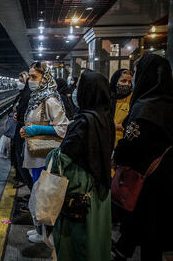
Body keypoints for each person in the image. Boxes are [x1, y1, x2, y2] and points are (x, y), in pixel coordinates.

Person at [46, 70, 114, 261]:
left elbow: (62, 158)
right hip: (101, 188)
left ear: (87, 91)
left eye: (79, 87)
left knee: (76, 243)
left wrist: (51, 152)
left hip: (80, 192)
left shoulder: (83, 121)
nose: (75, 91)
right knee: (97, 239)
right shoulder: (106, 117)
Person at [112, 54, 173, 261]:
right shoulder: (168, 103)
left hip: (146, 181)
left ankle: (123, 250)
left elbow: (130, 146)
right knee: (155, 231)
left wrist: (117, 153)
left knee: (147, 230)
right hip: (166, 177)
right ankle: (124, 248)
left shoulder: (145, 107)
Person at [20, 62, 69, 244]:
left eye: (34, 77)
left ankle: (47, 234)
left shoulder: (50, 99)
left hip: (45, 154)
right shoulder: (37, 98)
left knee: (45, 194)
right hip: (35, 154)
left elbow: (63, 127)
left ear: (44, 78)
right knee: (38, 193)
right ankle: (40, 230)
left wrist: (35, 130)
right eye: (30, 77)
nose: (31, 80)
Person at [12, 71, 32, 191]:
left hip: (24, 129)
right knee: (20, 156)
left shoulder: (28, 94)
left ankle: (27, 181)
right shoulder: (24, 93)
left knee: (21, 156)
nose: (19, 83)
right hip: (21, 127)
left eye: (21, 81)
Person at [110, 69, 133, 147]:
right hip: (106, 144)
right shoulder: (107, 97)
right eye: (123, 81)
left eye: (129, 82)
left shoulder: (133, 99)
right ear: (115, 81)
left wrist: (117, 126)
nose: (127, 84)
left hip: (124, 145)